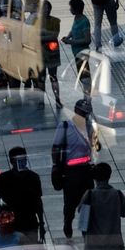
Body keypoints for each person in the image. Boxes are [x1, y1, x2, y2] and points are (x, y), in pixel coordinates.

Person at [52, 97, 97, 239]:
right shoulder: (65, 126)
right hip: (71, 171)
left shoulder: (89, 126)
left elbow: (94, 146)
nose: (85, 116)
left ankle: (85, 228)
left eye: (87, 113)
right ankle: (68, 222)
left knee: (88, 202)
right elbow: (55, 148)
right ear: (76, 111)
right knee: (70, 202)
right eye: (83, 113)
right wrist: (55, 166)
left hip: (86, 169)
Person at [36, 0, 62, 109]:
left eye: (46, 8)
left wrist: (41, 37)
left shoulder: (37, 22)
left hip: (48, 53)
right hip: (48, 52)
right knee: (44, 78)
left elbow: (54, 36)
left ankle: (55, 99)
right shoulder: (54, 21)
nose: (45, 10)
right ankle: (44, 100)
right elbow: (52, 36)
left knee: (51, 77)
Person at [61, 0, 92, 92]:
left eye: (71, 7)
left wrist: (71, 42)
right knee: (81, 74)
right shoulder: (76, 18)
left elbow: (87, 40)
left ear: (77, 9)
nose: (70, 9)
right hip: (77, 52)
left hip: (83, 53)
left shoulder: (84, 21)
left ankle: (88, 95)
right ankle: (86, 93)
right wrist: (68, 37)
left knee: (84, 76)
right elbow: (73, 29)